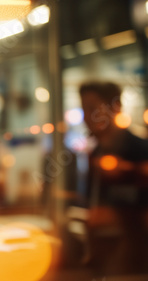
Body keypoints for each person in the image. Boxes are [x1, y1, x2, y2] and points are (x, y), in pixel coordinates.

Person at [79, 81, 148, 276]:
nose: (87, 117)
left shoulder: (140, 151)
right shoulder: (96, 153)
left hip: (135, 260)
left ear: (115, 108)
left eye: (93, 109)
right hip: (103, 254)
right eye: (84, 109)